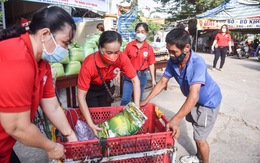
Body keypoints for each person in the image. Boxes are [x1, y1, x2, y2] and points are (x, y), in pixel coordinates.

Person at [0, 6, 78, 163]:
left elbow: (53, 107)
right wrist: (52, 147)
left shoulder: (43, 65)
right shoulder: (17, 59)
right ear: (45, 34)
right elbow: (16, 127)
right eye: (65, 43)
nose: (66, 50)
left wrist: (71, 137)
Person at [141, 28, 222, 163]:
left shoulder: (198, 63)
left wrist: (175, 120)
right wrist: (146, 100)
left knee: (200, 138)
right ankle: (198, 156)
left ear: (187, 48)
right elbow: (162, 82)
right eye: (169, 51)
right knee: (197, 129)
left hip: (208, 102)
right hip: (195, 100)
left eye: (174, 52)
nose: (171, 55)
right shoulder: (172, 62)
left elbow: (194, 95)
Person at [77, 30, 141, 136]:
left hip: (105, 87)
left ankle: (107, 139)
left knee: (106, 115)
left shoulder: (122, 58)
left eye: (116, 52)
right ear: (100, 48)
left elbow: (135, 80)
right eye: (109, 52)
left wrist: (137, 106)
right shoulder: (89, 64)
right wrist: (91, 124)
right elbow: (81, 97)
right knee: (94, 117)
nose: (113, 56)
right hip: (90, 90)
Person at [120, 22, 156, 106]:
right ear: (135, 32)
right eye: (138, 31)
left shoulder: (149, 48)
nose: (140, 34)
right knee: (125, 99)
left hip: (142, 76)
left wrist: (153, 79)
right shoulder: (129, 45)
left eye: (142, 32)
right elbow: (123, 60)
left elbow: (151, 64)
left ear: (146, 33)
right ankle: (122, 116)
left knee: (138, 99)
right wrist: (119, 72)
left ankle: (136, 117)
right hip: (129, 75)